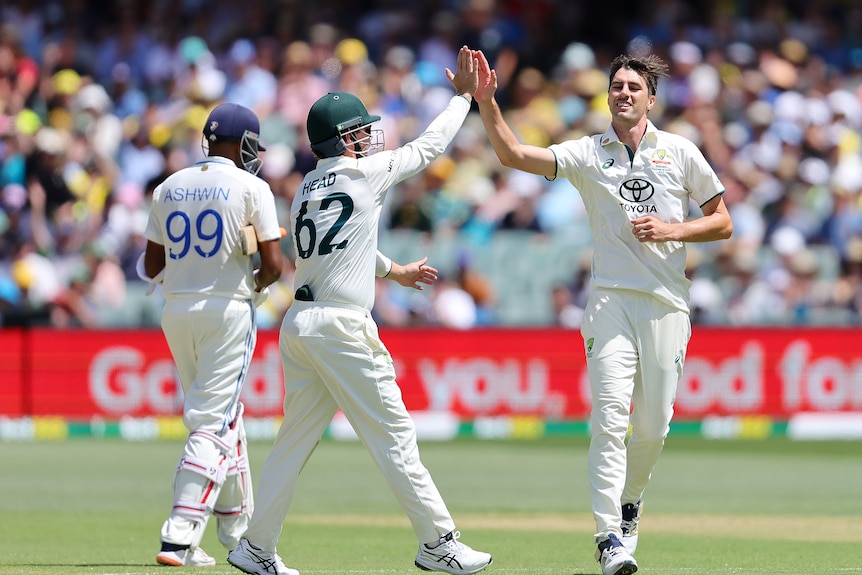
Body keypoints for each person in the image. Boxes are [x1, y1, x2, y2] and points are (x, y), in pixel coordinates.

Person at [227, 46, 492, 575]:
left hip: (301, 325)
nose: (371, 136)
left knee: (293, 441)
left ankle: (254, 547)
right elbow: (431, 145)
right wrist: (464, 98)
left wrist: (394, 272)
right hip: (341, 328)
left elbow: (341, 248)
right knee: (395, 435)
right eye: (362, 130)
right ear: (346, 139)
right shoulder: (364, 175)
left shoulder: (305, 189)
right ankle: (438, 544)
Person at [472, 51, 733, 575]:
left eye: (635, 86)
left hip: (666, 304)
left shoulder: (679, 151)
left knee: (654, 428)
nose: (625, 93)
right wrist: (486, 100)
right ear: (607, 95)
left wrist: (671, 230)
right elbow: (514, 155)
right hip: (610, 300)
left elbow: (723, 222)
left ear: (651, 98)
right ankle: (608, 535)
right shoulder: (589, 153)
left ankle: (630, 502)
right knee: (610, 418)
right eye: (617, 85)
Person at [142, 102, 284, 567]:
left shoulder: (168, 186)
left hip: (177, 312)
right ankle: (178, 536)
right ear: (243, 144)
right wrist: (253, 283)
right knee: (211, 422)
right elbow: (275, 266)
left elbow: (151, 266)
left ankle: (236, 531)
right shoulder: (252, 186)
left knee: (225, 418)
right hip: (227, 311)